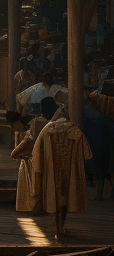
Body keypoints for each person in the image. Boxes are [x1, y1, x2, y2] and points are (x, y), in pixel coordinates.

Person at [16, 95, 90, 241]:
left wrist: (40, 167)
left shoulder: (46, 129)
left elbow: (36, 151)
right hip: (69, 171)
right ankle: (61, 228)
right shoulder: (73, 129)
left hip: (51, 170)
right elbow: (86, 152)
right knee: (66, 198)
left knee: (54, 198)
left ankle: (58, 229)